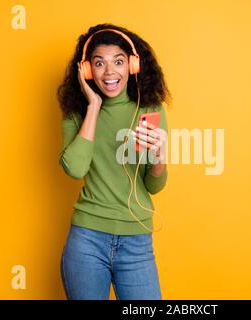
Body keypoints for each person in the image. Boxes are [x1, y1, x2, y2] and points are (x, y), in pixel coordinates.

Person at [56, 23, 171, 300]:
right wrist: (93, 106)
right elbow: (75, 168)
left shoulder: (149, 108)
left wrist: (159, 155)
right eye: (99, 63)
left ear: (132, 65)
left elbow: (153, 186)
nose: (109, 72)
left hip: (136, 242)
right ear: (86, 70)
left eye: (118, 61)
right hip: (87, 240)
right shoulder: (76, 113)